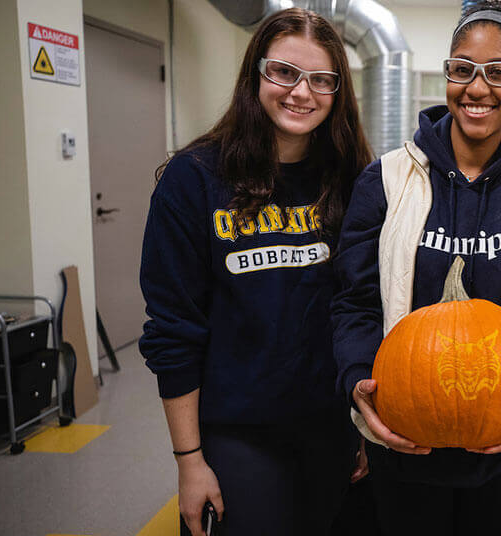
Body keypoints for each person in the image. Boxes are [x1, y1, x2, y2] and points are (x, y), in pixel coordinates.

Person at [330, 2, 501, 534]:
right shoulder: (385, 180)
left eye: (498, 72)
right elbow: (353, 301)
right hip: (402, 444)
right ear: (447, 73)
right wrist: (356, 380)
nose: (477, 87)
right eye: (462, 68)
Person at [139, 8, 372, 536]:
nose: (301, 92)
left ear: (338, 92)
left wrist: (362, 426)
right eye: (283, 72)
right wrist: (189, 460)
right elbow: (173, 329)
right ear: (255, 75)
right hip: (236, 431)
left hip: (328, 425)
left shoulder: (353, 178)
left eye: (321, 80)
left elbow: (363, 307)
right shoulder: (193, 180)